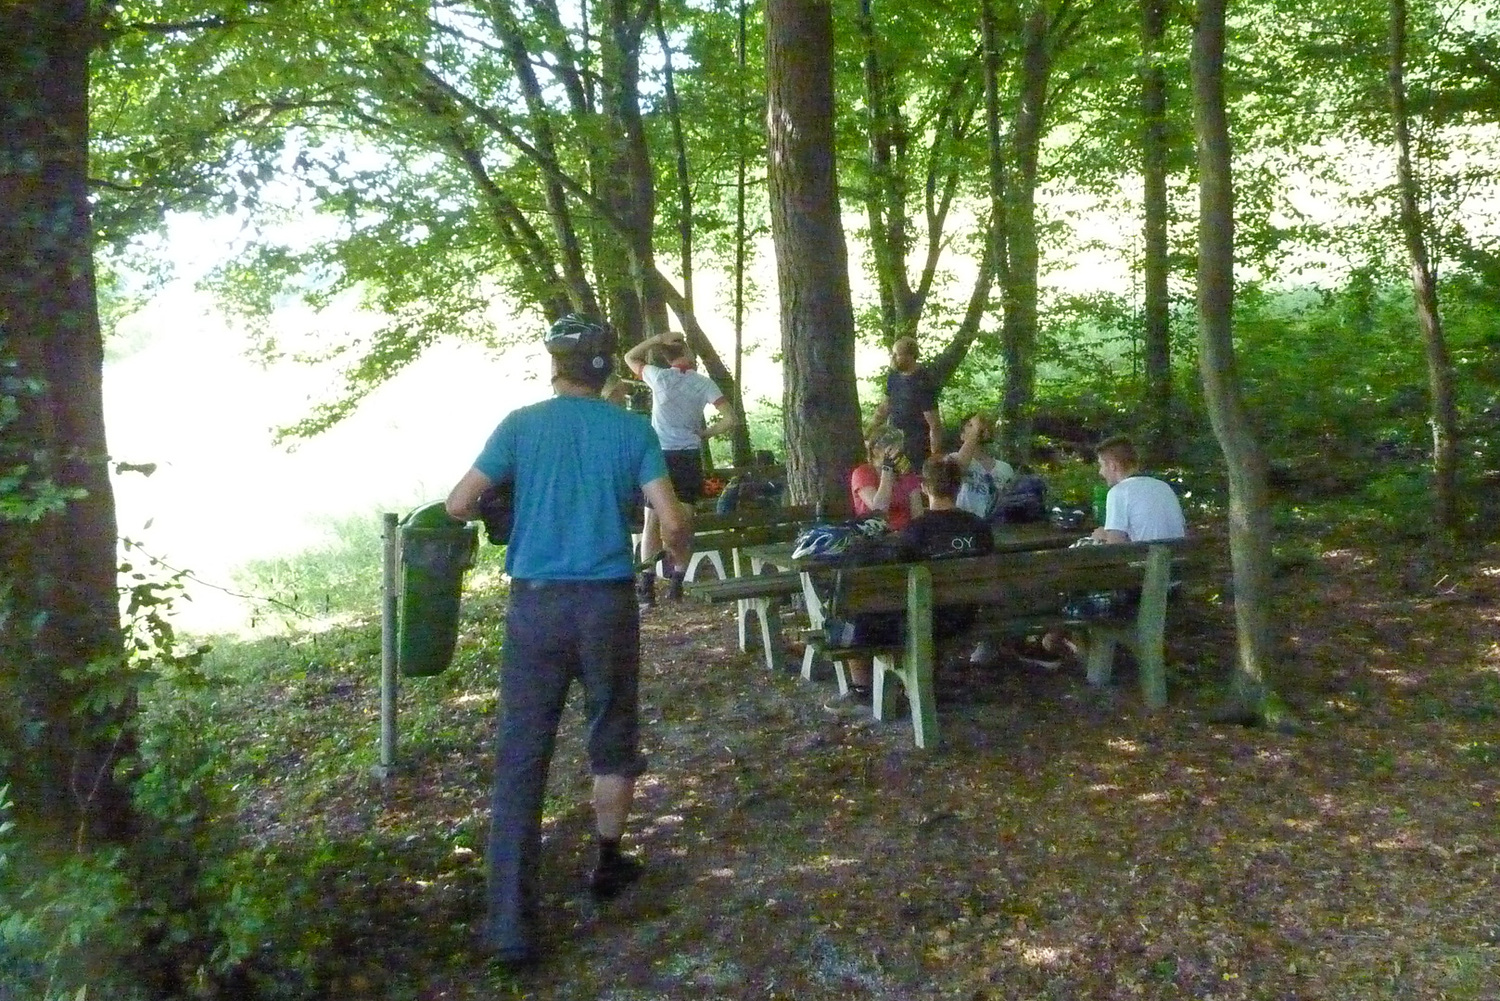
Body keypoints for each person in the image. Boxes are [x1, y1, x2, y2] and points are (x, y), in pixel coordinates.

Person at [445, 314, 692, 970]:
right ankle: (607, 864)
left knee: (522, 755)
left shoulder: (519, 426)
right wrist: (674, 559)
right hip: (606, 604)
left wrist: (507, 505)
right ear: (607, 369)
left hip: (535, 607)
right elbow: (670, 518)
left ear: (555, 367)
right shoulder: (632, 430)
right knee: (612, 732)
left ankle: (509, 926)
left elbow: (458, 502)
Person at [839, 455, 994, 697]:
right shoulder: (979, 528)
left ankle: (860, 689)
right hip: (966, 615)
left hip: (925, 618)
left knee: (859, 612)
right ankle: (932, 675)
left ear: (924, 487)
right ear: (959, 486)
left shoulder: (914, 531)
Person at [624, 329, 738, 604]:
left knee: (652, 521)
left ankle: (647, 584)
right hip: (688, 458)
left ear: (666, 356)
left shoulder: (658, 377)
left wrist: (656, 339)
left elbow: (630, 357)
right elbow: (730, 419)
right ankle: (677, 579)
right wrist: (705, 433)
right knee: (683, 523)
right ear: (688, 353)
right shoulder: (704, 383)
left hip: (658, 457)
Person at [1091, 435, 1186, 543]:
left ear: (1112, 466)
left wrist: (1104, 536)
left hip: (1149, 554)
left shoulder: (1119, 492)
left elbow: (1115, 545)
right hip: (1180, 553)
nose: (1100, 472)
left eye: (1101, 465)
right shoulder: (1163, 487)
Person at [870, 336, 942, 472]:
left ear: (910, 356)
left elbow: (934, 424)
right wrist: (869, 431)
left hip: (917, 445)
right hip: (894, 438)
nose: (893, 358)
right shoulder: (893, 377)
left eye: (897, 354)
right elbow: (885, 406)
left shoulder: (923, 382)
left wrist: (935, 456)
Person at [850, 428, 925, 531]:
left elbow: (918, 514)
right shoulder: (863, 473)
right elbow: (879, 509)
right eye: (892, 451)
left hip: (905, 533)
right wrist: (887, 467)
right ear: (876, 450)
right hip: (874, 533)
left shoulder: (906, 474)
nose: (897, 455)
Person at [948, 411, 1015, 521]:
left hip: (996, 526)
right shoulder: (954, 458)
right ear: (962, 436)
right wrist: (975, 433)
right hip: (964, 525)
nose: (979, 428)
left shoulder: (1005, 468)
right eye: (971, 425)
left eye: (983, 425)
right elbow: (958, 468)